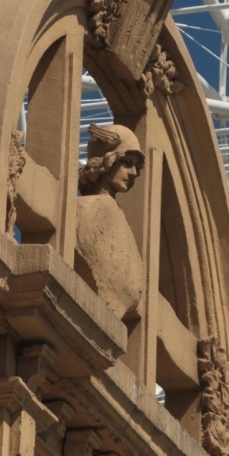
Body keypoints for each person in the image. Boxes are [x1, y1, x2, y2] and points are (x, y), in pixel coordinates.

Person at [75, 124, 146, 322]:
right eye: (127, 162)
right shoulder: (86, 208)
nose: (133, 173)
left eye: (136, 167)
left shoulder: (118, 216)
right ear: (108, 159)